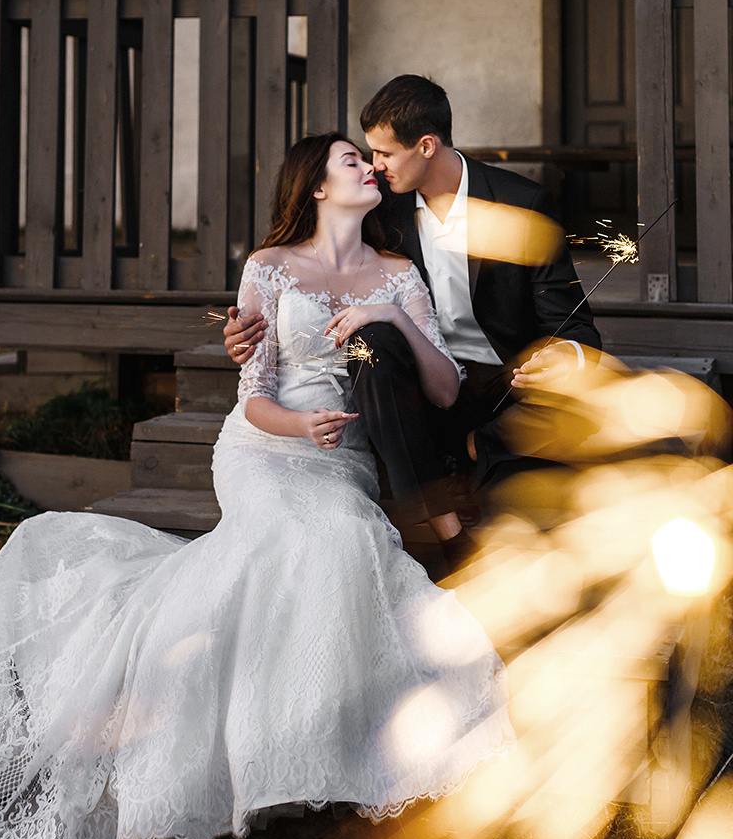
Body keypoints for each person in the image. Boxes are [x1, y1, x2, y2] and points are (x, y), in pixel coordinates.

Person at [0, 133, 512, 839]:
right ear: (315, 186)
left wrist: (394, 319)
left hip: (343, 458)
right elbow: (256, 396)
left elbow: (442, 386)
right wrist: (298, 426)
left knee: (340, 535)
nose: (369, 168)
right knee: (295, 539)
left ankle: (304, 741)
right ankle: (252, 750)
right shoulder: (269, 267)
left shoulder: (398, 273)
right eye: (351, 160)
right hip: (265, 449)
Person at [225, 76, 601, 561]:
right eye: (366, 155)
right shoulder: (382, 207)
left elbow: (574, 327)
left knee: (575, 420)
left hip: (506, 386)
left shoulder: (520, 204)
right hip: (411, 390)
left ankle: (473, 450)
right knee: (375, 339)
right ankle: (444, 512)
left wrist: (563, 357)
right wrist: (246, 335)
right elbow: (315, 275)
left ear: (426, 146)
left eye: (383, 153)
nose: (374, 165)